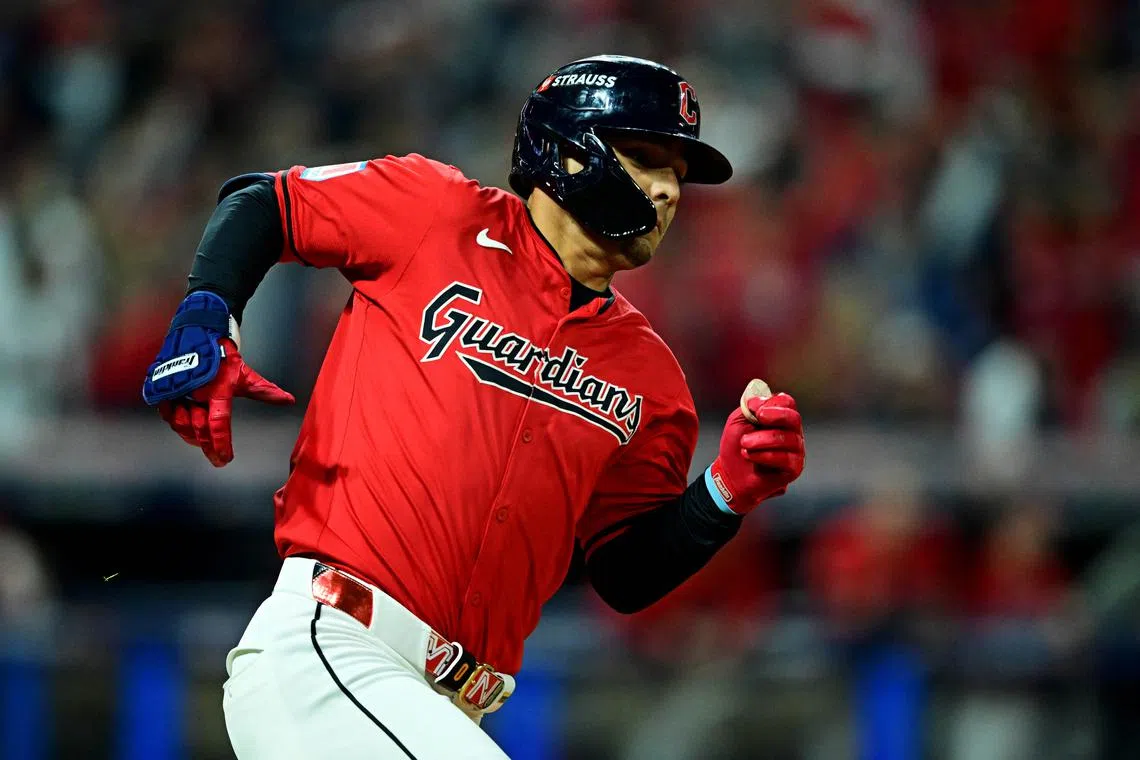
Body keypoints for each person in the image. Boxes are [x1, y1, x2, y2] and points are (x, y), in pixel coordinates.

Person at [141, 55, 806, 760]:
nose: (669, 190)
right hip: (332, 652)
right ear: (567, 149)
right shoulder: (435, 214)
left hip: (452, 707)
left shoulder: (653, 381)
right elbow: (264, 202)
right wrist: (209, 310)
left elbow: (625, 572)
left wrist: (726, 491)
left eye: (678, 174)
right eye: (645, 158)